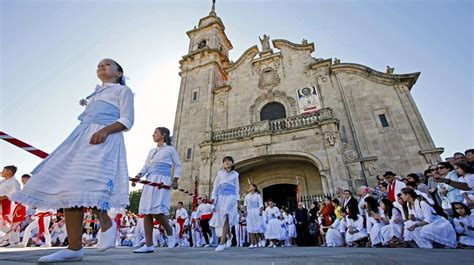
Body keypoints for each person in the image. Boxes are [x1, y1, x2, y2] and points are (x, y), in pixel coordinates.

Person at [10, 59, 134, 262]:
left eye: (108, 64)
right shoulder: (95, 94)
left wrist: (104, 130)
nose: (101, 66)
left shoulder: (123, 92)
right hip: (81, 139)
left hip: (104, 139)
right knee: (70, 188)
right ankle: (74, 248)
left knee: (87, 184)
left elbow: (127, 120)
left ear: (120, 73)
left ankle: (106, 221)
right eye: (99, 65)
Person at [132, 127, 182, 253]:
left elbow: (178, 164)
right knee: (147, 212)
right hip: (150, 180)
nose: (153, 134)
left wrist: (175, 180)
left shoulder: (170, 149)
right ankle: (149, 244)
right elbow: (146, 166)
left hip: (162, 181)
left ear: (163, 134)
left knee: (157, 211)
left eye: (156, 132)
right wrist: (138, 176)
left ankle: (169, 230)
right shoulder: (152, 151)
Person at [209, 156, 240, 252]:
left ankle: (222, 243)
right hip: (221, 197)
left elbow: (237, 188)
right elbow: (215, 186)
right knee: (221, 219)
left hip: (231, 198)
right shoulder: (220, 173)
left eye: (229, 161)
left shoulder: (235, 175)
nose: (227, 162)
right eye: (225, 161)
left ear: (232, 163)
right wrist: (213, 198)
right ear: (223, 164)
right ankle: (229, 235)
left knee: (226, 216)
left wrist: (238, 201)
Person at [0, 165, 21, 246]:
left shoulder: (14, 182)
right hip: (1, 203)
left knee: (10, 222)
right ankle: (8, 238)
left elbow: (18, 192)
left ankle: (15, 241)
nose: (2, 172)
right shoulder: (2, 181)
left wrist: (5, 196)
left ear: (9, 172)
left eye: (4, 170)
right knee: (2, 223)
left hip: (8, 203)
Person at [243, 183, 264, 249]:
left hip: (256, 211)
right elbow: (245, 205)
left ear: (254, 188)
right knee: (250, 227)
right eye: (249, 186)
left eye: (251, 186)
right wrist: (245, 211)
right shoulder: (247, 196)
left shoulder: (258, 195)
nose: (249, 187)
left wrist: (260, 212)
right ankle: (252, 243)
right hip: (249, 212)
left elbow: (261, 205)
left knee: (257, 227)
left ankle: (260, 240)